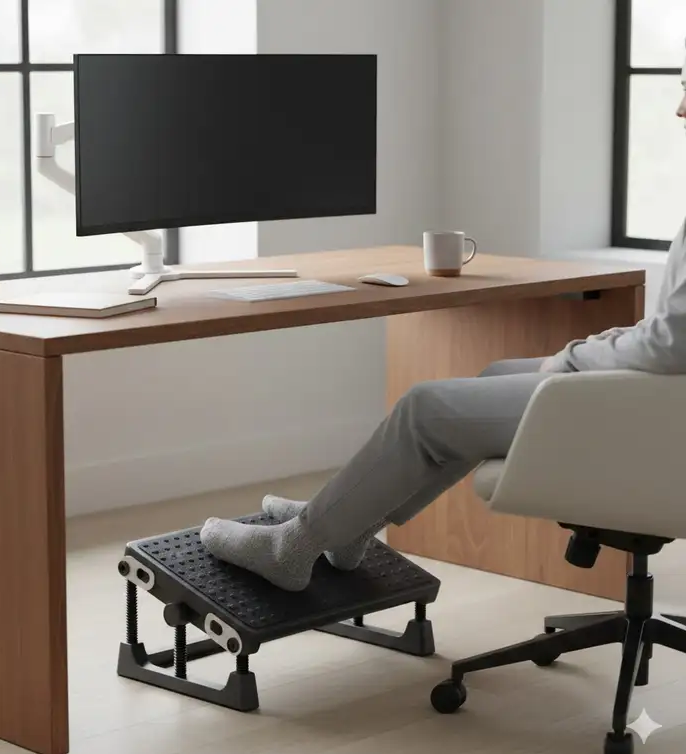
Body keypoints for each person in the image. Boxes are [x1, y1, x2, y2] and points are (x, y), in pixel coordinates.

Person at [200, 53, 686, 592]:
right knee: (498, 375)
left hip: (656, 416)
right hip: (665, 405)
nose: (681, 110)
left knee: (423, 410)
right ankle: (349, 521)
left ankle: (293, 547)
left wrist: (572, 357)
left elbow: (671, 344)